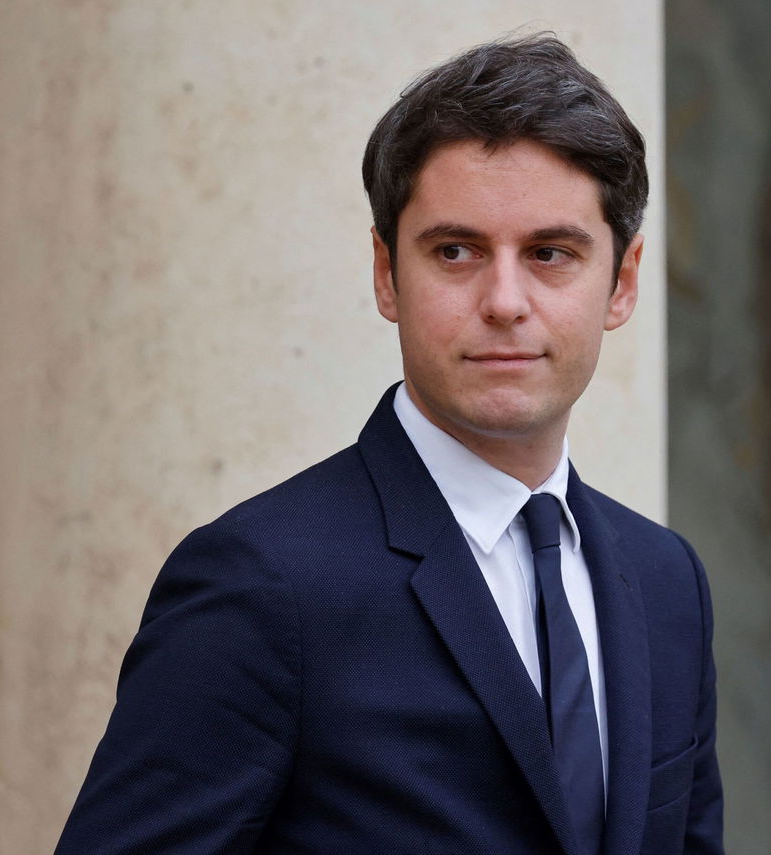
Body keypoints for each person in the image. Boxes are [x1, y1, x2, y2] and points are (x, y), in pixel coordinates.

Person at [55, 33, 725, 855]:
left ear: (621, 283)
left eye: (551, 253)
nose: (505, 300)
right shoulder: (262, 584)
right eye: (456, 251)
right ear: (386, 274)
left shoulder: (667, 583)